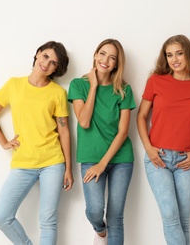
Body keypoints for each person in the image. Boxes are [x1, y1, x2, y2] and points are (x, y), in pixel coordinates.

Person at [0, 41, 73, 245]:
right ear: (37, 54)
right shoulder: (14, 85)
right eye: (45, 57)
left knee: (48, 221)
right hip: (23, 163)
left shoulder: (57, 93)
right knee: (1, 216)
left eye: (53, 63)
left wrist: (68, 168)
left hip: (52, 162)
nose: (46, 64)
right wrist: (4, 142)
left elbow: (64, 131)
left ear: (56, 69)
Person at [137, 34, 190, 245]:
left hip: (186, 161)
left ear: (188, 54)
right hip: (157, 158)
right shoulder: (156, 81)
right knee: (170, 217)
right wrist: (149, 148)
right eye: (169, 55)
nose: (174, 59)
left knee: (183, 221)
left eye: (179, 53)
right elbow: (141, 116)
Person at [68, 39, 136, 245]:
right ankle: (100, 231)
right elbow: (84, 121)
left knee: (116, 217)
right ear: (95, 55)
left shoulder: (124, 90)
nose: (105, 60)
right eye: (102, 53)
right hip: (90, 157)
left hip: (121, 159)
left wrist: (103, 163)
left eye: (112, 57)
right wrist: (94, 86)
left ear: (116, 64)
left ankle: (108, 232)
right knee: (95, 210)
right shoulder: (78, 85)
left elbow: (123, 132)